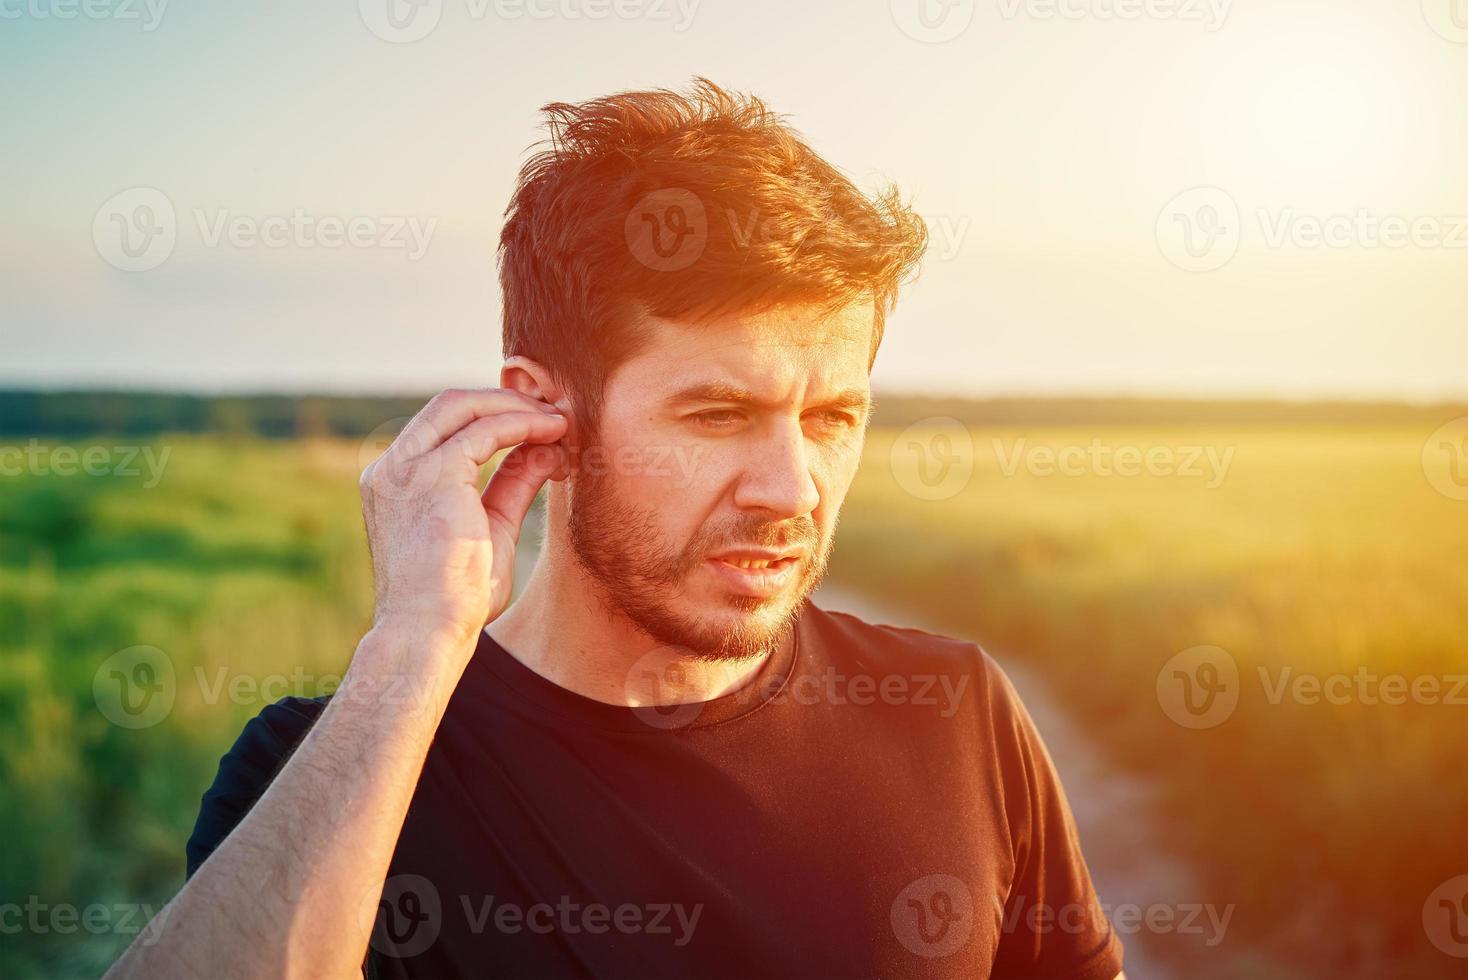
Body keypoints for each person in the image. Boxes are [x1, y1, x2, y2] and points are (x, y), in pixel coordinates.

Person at [105, 78, 1126, 980]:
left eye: (830, 419)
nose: (791, 487)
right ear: (546, 416)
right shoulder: (330, 770)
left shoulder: (954, 711)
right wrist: (414, 645)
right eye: (717, 412)